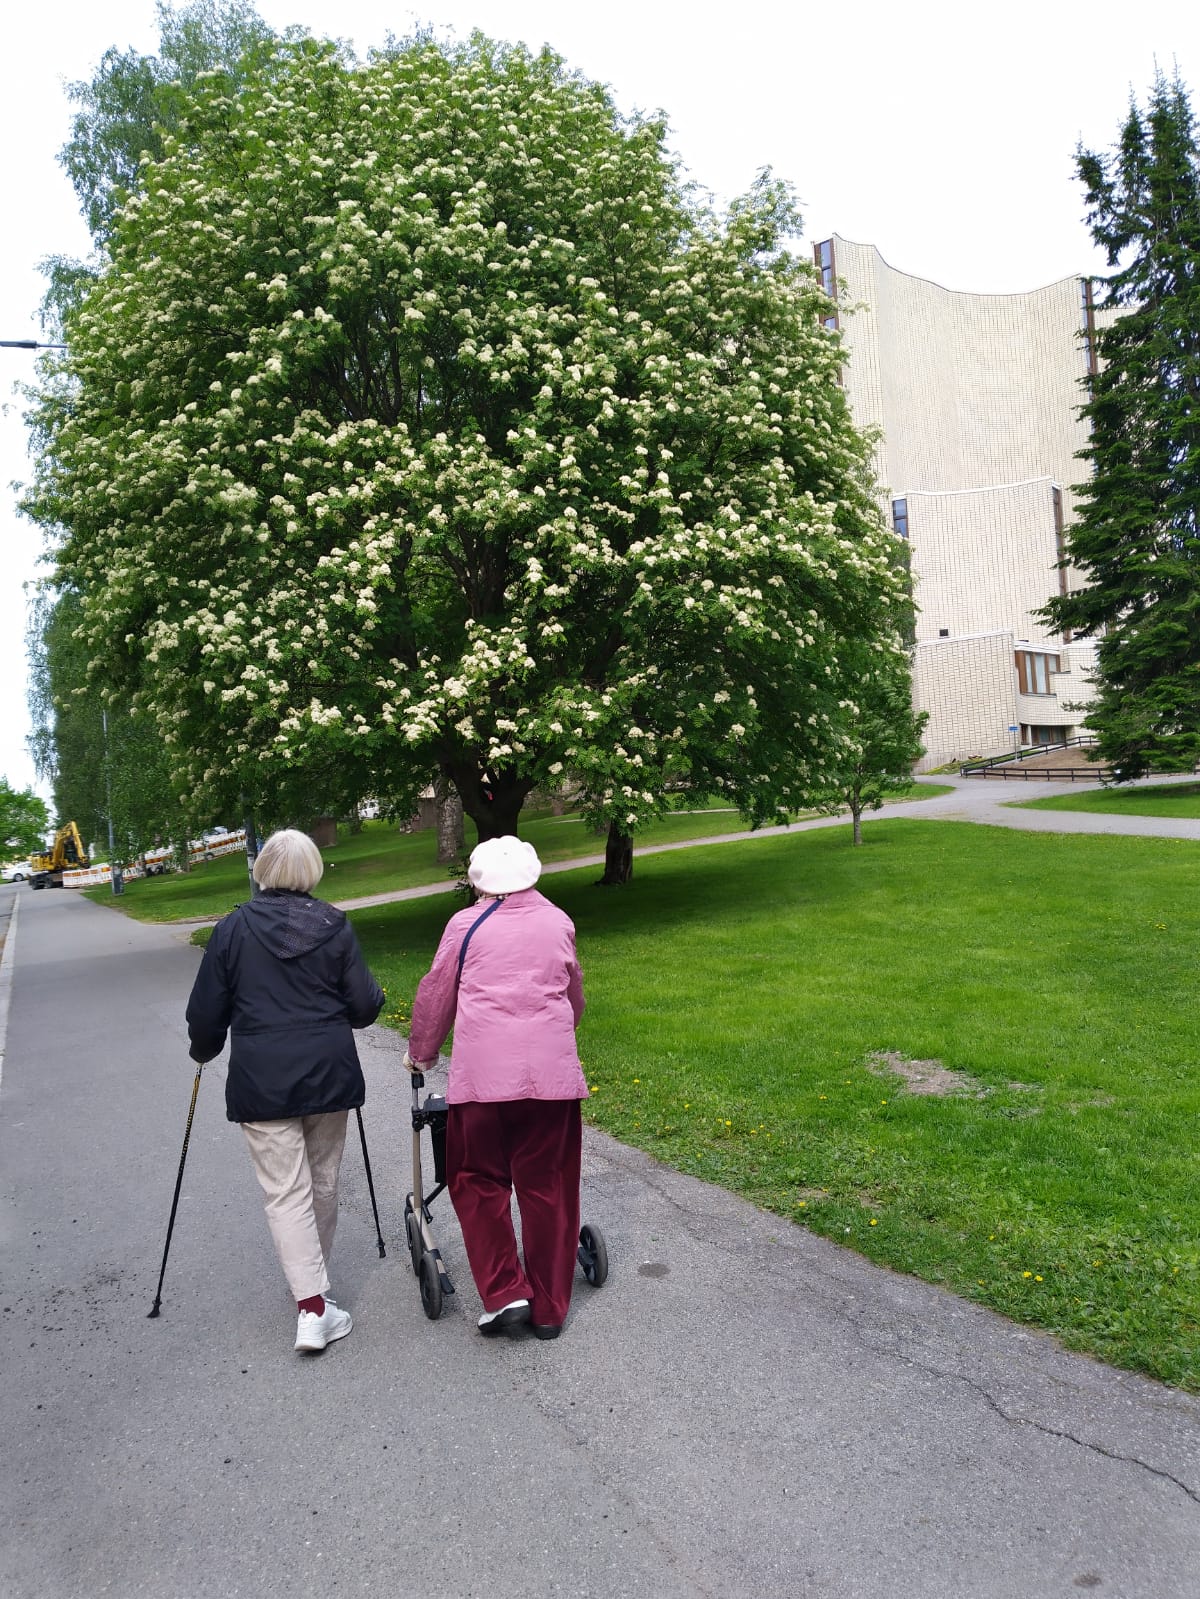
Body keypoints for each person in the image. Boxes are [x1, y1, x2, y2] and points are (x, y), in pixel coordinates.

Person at [186, 828, 384, 1353]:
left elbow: (205, 1012)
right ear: (312, 870)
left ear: (263, 869)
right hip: (327, 1073)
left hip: (262, 1078)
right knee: (322, 1182)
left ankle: (311, 1303)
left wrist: (203, 1049)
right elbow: (365, 1007)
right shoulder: (334, 925)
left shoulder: (231, 929)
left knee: (285, 1191)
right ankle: (315, 1298)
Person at [405, 835, 587, 1340]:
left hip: (482, 1082)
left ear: (479, 880)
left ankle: (506, 1291)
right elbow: (573, 999)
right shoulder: (558, 921)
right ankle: (549, 1309)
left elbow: (437, 993)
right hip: (551, 1083)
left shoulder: (464, 925)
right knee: (549, 1186)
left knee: (477, 1178)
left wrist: (421, 1052)